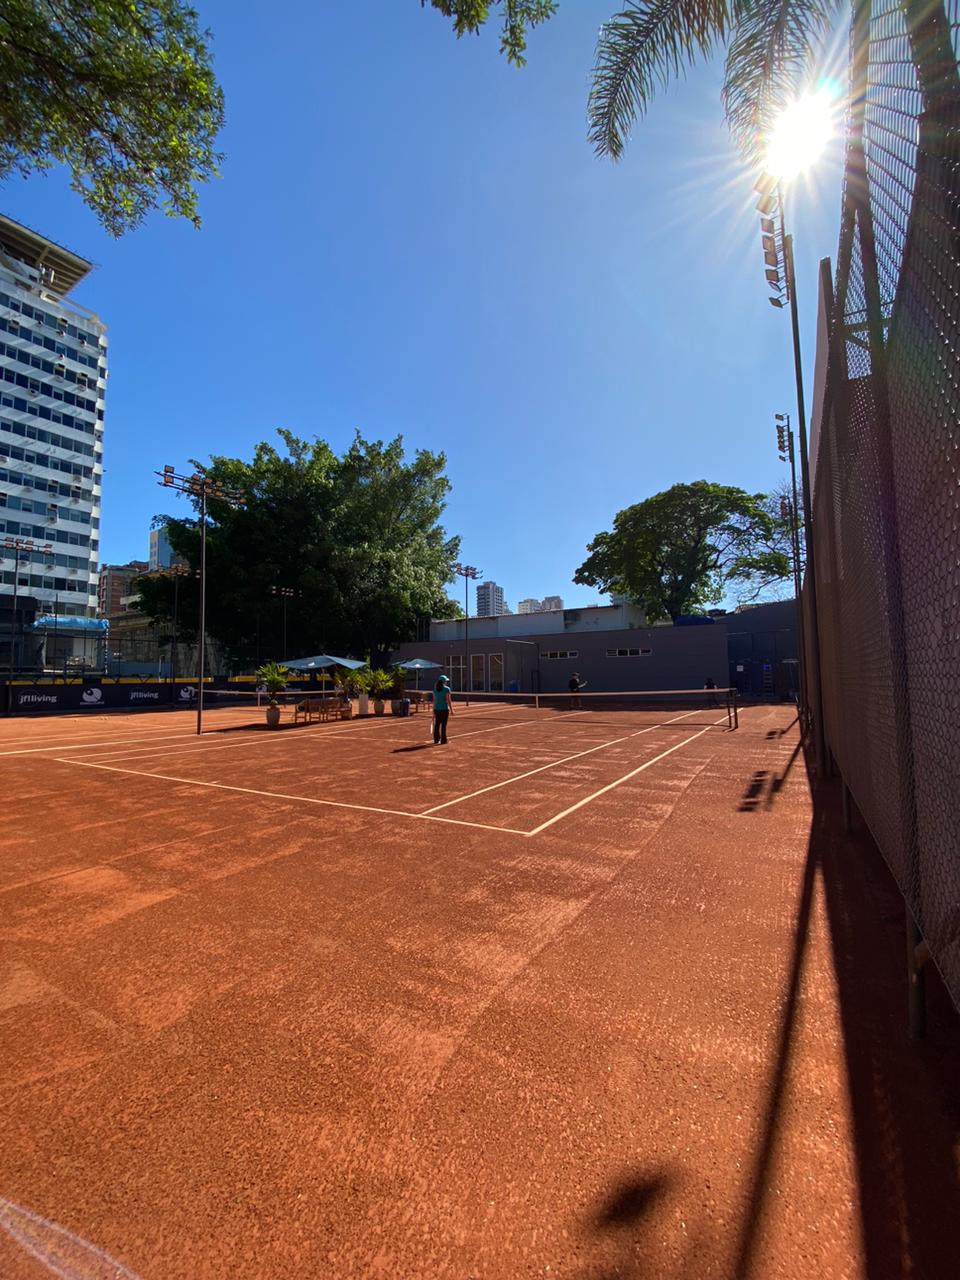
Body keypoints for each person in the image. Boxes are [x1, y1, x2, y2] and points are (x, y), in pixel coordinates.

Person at [433, 674, 453, 744]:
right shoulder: (447, 689)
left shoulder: (435, 689)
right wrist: (451, 709)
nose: (447, 682)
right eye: (446, 681)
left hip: (437, 709)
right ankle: (443, 740)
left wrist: (433, 710)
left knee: (437, 725)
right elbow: (448, 700)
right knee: (443, 725)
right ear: (444, 681)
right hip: (444, 709)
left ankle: (436, 739)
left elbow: (434, 701)